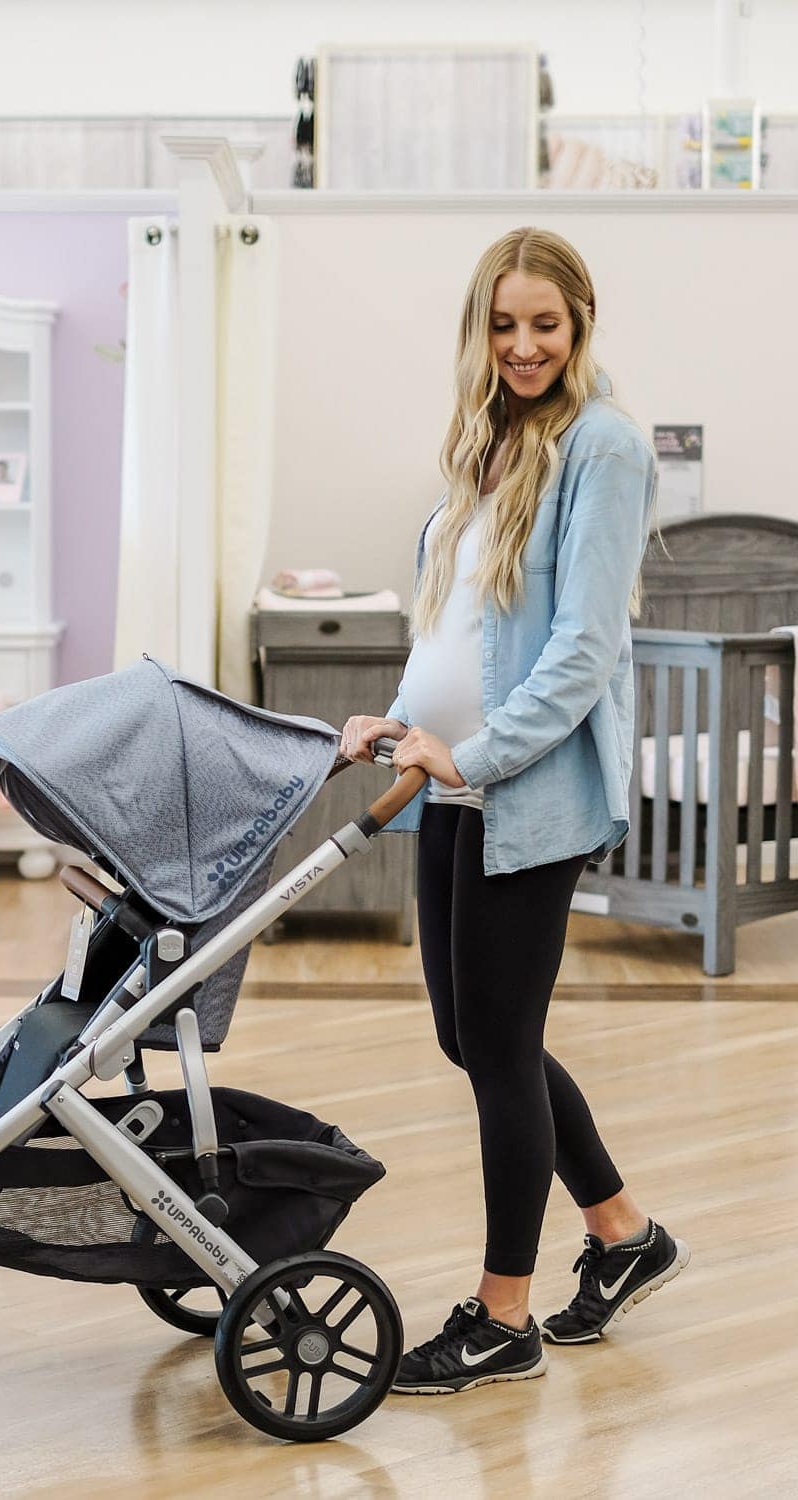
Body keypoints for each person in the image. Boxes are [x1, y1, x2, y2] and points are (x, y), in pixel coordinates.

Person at [340, 226, 690, 1396]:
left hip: (520, 790)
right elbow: (452, 622)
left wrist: (474, 754)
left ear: (580, 322)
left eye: (545, 323)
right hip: (449, 778)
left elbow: (584, 649)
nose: (524, 344)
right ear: (478, 331)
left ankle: (502, 1316)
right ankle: (624, 1233)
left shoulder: (605, 446)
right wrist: (393, 720)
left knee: (494, 1044)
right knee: (473, 1037)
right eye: (504, 324)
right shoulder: (487, 439)